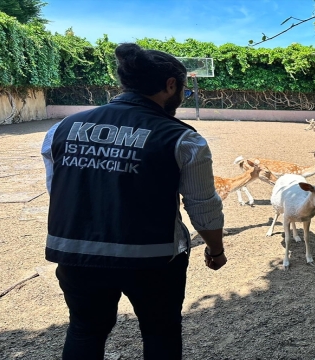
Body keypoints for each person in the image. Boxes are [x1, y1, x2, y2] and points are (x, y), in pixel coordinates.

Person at [40, 43, 226, 360]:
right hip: (153, 260)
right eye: (183, 90)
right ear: (171, 85)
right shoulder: (182, 137)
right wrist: (215, 250)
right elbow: (202, 206)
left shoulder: (62, 129)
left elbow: (59, 189)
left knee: (85, 330)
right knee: (161, 332)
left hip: (76, 256)